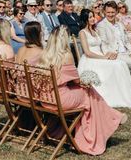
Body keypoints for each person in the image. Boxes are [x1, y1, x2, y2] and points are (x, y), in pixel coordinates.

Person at [38, 26, 126, 156]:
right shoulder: (66, 56)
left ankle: (112, 118)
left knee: (88, 93)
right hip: (60, 100)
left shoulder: (45, 54)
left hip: (46, 99)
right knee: (89, 93)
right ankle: (95, 133)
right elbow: (77, 81)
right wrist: (86, 81)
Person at [77, 8, 131, 108]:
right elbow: (87, 52)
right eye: (90, 17)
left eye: (93, 16)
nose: (93, 19)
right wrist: (103, 58)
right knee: (117, 65)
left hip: (101, 56)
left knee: (121, 63)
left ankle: (123, 94)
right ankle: (114, 95)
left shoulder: (95, 31)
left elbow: (102, 46)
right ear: (85, 19)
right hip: (91, 59)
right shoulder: (82, 32)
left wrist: (109, 54)